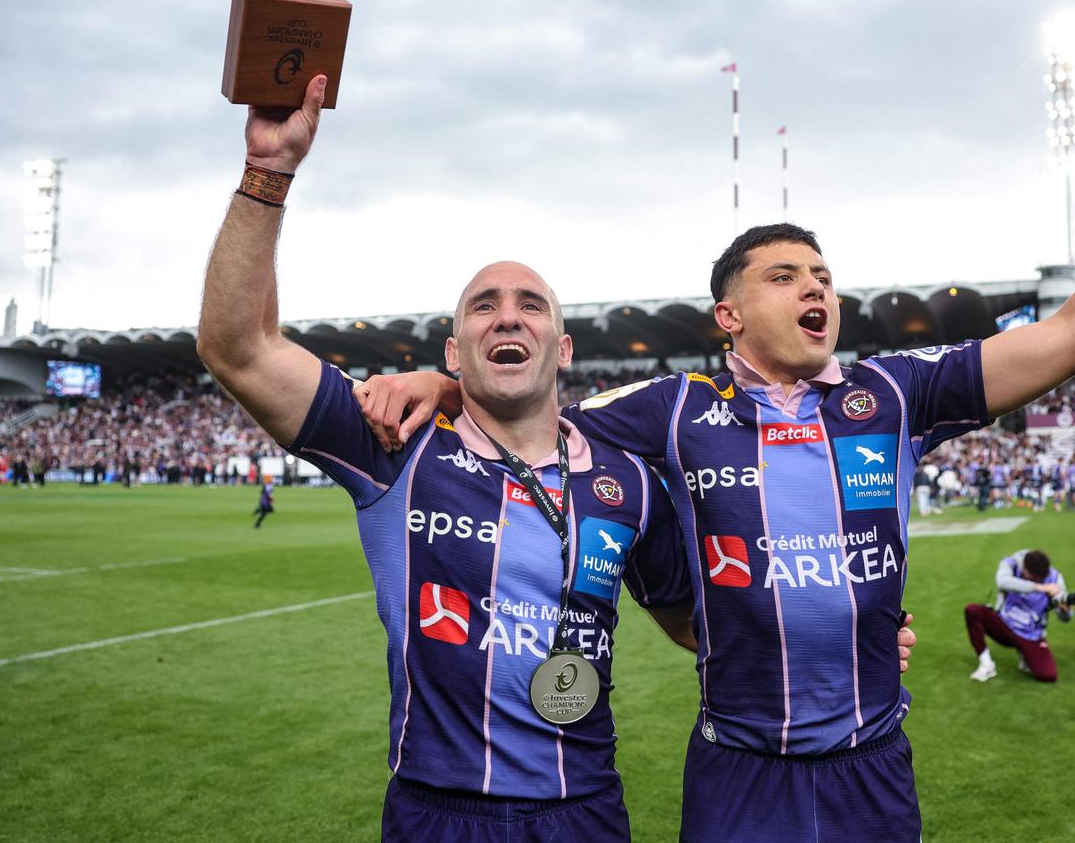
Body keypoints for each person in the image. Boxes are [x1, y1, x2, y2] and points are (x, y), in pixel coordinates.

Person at [364, 40, 1075, 841]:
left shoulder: (894, 393)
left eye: (823, 276)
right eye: (784, 276)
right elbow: (525, 409)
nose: (815, 288)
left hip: (872, 764)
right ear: (729, 315)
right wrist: (448, 383)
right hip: (738, 771)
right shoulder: (673, 409)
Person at [196, 74, 700, 842]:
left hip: (584, 811)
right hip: (437, 812)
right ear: (454, 351)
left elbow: (697, 624)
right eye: (483, 306)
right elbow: (236, 347)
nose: (508, 316)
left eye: (531, 305)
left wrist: (859, 637)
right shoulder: (394, 441)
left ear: (563, 348)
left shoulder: (626, 480)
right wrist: (269, 171)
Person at [963, 549, 1072, 684]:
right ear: (1024, 568)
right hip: (1003, 623)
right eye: (1033, 577)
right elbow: (1002, 581)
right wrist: (1039, 587)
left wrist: (1064, 609)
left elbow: (1066, 618)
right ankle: (986, 665)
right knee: (972, 610)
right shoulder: (1012, 563)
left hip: (1030, 633)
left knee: (1049, 675)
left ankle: (1025, 657)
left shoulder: (1055, 578)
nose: (1037, 580)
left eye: (1040, 579)